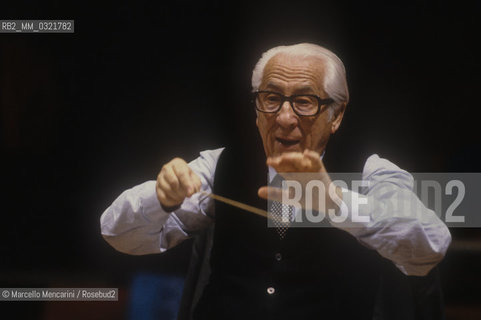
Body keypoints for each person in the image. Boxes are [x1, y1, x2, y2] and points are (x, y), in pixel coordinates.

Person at [100, 43, 451, 319]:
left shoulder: (372, 172)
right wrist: (162, 198)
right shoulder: (218, 165)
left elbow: (431, 245)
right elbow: (117, 234)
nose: (284, 118)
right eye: (271, 99)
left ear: (336, 115)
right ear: (256, 110)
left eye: (304, 101)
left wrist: (336, 203)